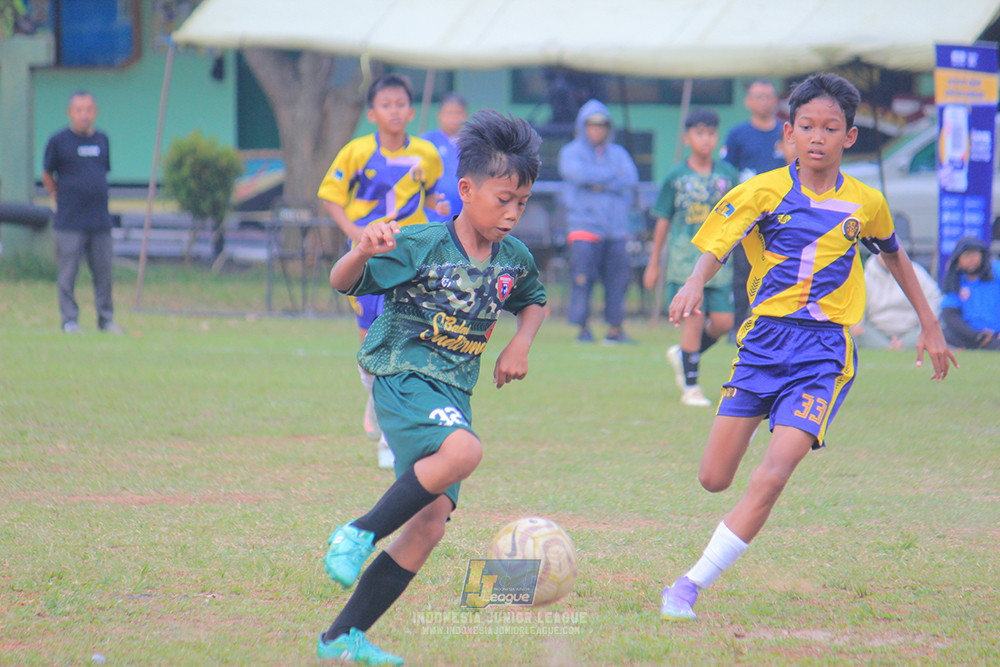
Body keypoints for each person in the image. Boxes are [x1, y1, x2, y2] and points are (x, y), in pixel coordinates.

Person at [659, 73, 956, 621]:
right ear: (788, 133)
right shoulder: (761, 191)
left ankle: (688, 585)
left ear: (849, 136)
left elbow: (894, 257)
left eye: (831, 127)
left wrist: (929, 325)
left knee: (773, 474)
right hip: (762, 345)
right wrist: (695, 281)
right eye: (807, 127)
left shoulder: (866, 202)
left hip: (825, 354)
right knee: (714, 478)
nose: (817, 137)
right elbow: (718, 247)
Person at [317, 110, 547, 664]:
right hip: (402, 373)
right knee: (465, 450)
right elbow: (340, 281)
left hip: (453, 392)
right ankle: (357, 532)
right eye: (503, 198)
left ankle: (340, 640)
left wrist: (520, 345)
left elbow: (534, 299)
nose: (513, 213)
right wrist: (361, 250)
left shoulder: (513, 259)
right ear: (466, 190)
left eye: (522, 201)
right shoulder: (420, 244)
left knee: (428, 526)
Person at [318, 73, 449, 468]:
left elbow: (434, 197)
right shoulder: (356, 152)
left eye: (400, 104)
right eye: (385, 104)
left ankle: (391, 438)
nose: (394, 111)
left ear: (410, 111)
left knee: (409, 338)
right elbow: (331, 197)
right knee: (370, 345)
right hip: (367, 259)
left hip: (411, 257)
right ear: (372, 113)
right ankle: (374, 398)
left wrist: (440, 210)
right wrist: (357, 236)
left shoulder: (427, 153)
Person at [643, 109, 738, 406]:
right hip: (684, 263)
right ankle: (692, 389)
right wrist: (654, 261)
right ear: (687, 138)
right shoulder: (676, 176)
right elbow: (663, 220)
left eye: (710, 133)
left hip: (719, 264)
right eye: (699, 133)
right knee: (694, 320)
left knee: (723, 323)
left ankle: (683, 355)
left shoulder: (728, 175)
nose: (705, 139)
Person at [558, 99, 640, 344]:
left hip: (616, 230)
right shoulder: (570, 152)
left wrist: (596, 183)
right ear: (582, 126)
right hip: (584, 227)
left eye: (602, 125)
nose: (597, 130)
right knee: (583, 278)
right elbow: (577, 174)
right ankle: (582, 329)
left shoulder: (618, 153)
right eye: (592, 125)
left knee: (618, 280)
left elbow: (630, 179)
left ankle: (615, 330)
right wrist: (610, 178)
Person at [42, 90, 123, 335]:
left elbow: (102, 172)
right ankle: (69, 320)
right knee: (68, 273)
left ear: (95, 112)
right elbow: (47, 174)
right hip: (70, 221)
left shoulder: (102, 140)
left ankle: (105, 319)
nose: (84, 115)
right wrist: (57, 195)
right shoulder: (58, 141)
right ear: (70, 113)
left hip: (99, 220)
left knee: (104, 274)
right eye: (79, 110)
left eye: (88, 110)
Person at [722, 79, 788, 342]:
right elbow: (727, 173)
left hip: (781, 214)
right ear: (748, 101)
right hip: (749, 215)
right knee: (742, 272)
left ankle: (775, 326)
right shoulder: (738, 135)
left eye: (769, 96)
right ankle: (738, 326)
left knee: (779, 271)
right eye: (758, 96)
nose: (764, 101)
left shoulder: (785, 133)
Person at [851, 252, 942, 350]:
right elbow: (857, 305)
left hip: (912, 332)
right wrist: (857, 324)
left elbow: (933, 299)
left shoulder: (917, 273)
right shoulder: (866, 276)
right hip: (876, 334)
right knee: (854, 332)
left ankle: (896, 347)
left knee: (931, 332)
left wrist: (925, 327)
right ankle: (889, 348)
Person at [939, 236, 1000, 350]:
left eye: (975, 254)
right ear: (958, 260)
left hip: (997, 334)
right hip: (970, 335)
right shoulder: (955, 280)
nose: (971, 259)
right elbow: (949, 314)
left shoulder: (996, 271)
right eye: (966, 255)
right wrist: (976, 336)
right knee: (942, 335)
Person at [422, 92, 468, 222]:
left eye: (458, 113)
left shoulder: (471, 143)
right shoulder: (428, 141)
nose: (454, 118)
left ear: (465, 115)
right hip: (434, 215)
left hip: (463, 213)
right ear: (440, 116)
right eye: (449, 113)